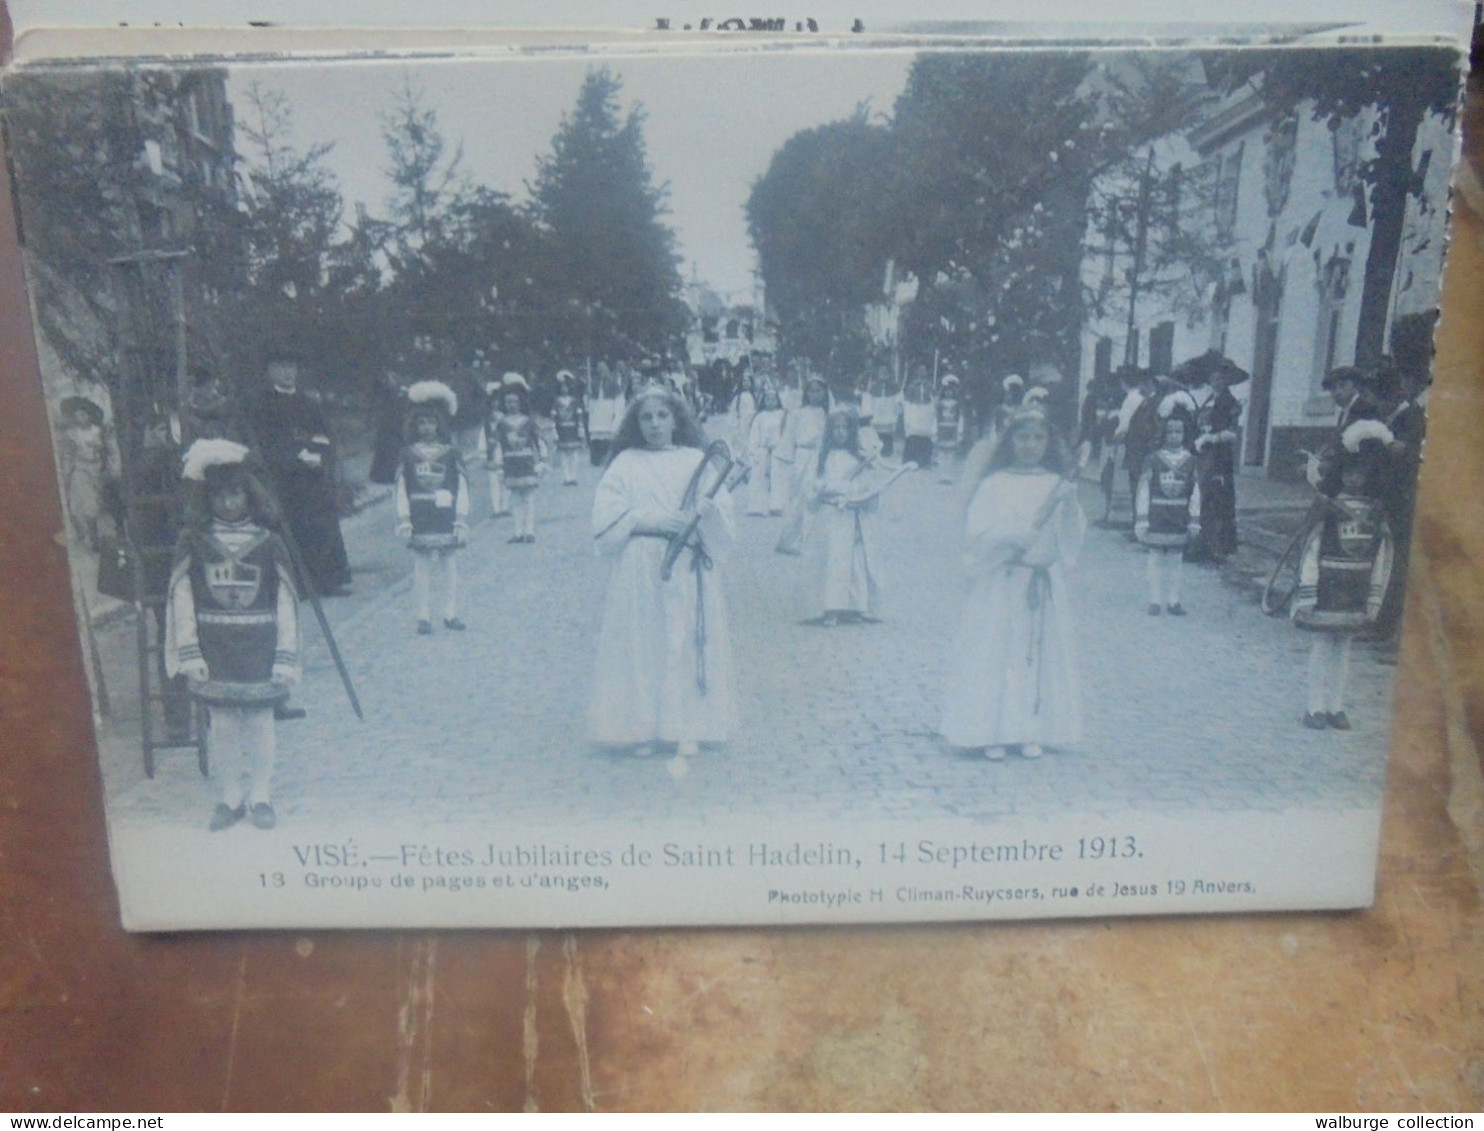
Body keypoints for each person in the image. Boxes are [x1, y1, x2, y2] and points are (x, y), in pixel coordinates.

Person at [588, 386, 737, 769]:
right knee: (643, 641)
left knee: (684, 641)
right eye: (646, 418)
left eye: (662, 416)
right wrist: (647, 518)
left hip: (685, 562)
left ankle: (684, 727)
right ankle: (642, 729)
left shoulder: (694, 460)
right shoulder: (625, 463)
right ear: (636, 424)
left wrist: (704, 514)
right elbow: (605, 519)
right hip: (640, 564)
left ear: (676, 419)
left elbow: (720, 512)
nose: (655, 425)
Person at [165, 439, 300, 830]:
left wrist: (285, 654)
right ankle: (229, 796)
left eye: (236, 493)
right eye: (220, 496)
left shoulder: (269, 542)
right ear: (207, 500)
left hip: (260, 645)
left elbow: (287, 601)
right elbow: (182, 597)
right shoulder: (194, 541)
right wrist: (190, 651)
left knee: (260, 719)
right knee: (221, 724)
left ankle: (260, 794)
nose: (229, 503)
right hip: (215, 646)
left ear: (249, 494)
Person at [940, 403, 1085, 761]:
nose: (1030, 445)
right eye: (1023, 437)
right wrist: (1009, 536)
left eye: (1039, 438)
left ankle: (1029, 730)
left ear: (1049, 442)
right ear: (1010, 441)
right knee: (997, 651)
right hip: (1001, 580)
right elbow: (976, 533)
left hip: (1038, 583)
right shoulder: (994, 483)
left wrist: (1068, 507)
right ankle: (991, 730)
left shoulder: (1055, 484)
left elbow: (1070, 538)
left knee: (1034, 655)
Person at [1292, 420, 1395, 730]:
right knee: (1322, 645)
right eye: (1349, 473)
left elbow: (1381, 555)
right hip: (1327, 585)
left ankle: (1336, 706)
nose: (1355, 479)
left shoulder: (1376, 512)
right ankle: (1314, 706)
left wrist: (1375, 596)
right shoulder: (1329, 507)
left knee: (1344, 649)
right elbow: (1312, 548)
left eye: (1361, 474)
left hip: (1356, 588)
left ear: (1369, 478)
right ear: (1341, 474)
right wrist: (1308, 589)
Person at [249, 354, 352, 596]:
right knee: (294, 527)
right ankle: (299, 585)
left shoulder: (308, 402)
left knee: (322, 525)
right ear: (270, 371)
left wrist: (319, 455)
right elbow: (266, 442)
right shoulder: (263, 404)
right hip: (287, 479)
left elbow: (325, 435)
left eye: (291, 367)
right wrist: (295, 456)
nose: (287, 373)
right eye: (281, 367)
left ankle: (327, 580)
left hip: (314, 476)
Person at [395, 381, 470, 635]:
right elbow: (401, 488)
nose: (427, 428)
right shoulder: (407, 454)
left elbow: (461, 486)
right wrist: (404, 518)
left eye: (431, 422)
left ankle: (450, 611)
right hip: (420, 516)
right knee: (421, 565)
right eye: (421, 423)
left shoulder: (451, 453)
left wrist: (461, 518)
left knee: (449, 564)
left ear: (440, 424)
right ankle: (423, 614)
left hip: (445, 514)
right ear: (414, 425)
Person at [798, 409, 883, 626]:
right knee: (830, 560)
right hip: (828, 517)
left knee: (853, 562)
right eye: (835, 428)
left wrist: (848, 490)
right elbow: (810, 485)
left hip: (850, 516)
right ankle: (829, 606)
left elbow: (867, 486)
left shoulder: (859, 458)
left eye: (844, 428)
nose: (840, 433)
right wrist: (822, 488)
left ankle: (854, 606)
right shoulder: (821, 457)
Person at [1182, 352, 1245, 563]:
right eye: (1214, 377)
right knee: (1204, 497)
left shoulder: (1230, 401)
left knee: (1217, 499)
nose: (1216, 381)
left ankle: (1215, 547)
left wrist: (1210, 437)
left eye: (1221, 378)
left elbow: (1233, 433)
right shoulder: (1211, 398)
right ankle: (1204, 543)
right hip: (1204, 455)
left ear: (1228, 380)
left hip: (1219, 456)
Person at [1135, 416, 1201, 616]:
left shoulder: (1191, 461)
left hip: (1179, 515)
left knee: (1175, 558)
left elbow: (1196, 493)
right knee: (1155, 557)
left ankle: (1173, 600)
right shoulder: (1152, 460)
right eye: (1170, 432)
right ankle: (1155, 600)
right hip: (1157, 514)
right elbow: (1143, 491)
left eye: (1178, 432)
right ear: (1163, 434)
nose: (1174, 436)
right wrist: (1142, 520)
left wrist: (1194, 521)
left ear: (1184, 434)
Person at [774, 375, 831, 555]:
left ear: (825, 393)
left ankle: (809, 540)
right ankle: (788, 539)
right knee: (799, 496)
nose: (815, 395)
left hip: (819, 456)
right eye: (811, 391)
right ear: (806, 393)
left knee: (815, 496)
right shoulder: (799, 413)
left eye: (818, 391)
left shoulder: (827, 414)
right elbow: (789, 435)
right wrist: (785, 458)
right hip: (801, 455)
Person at [57, 395, 118, 552]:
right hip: (80, 470)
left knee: (93, 506)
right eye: (78, 415)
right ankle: (88, 536)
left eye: (84, 414)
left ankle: (93, 534)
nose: (81, 418)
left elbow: (106, 450)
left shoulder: (97, 431)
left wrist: (98, 447)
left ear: (90, 416)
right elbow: (68, 454)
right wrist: (67, 471)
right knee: (79, 506)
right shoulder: (72, 434)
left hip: (95, 470)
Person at [489, 375, 545, 544]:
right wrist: (498, 465)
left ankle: (529, 531)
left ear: (520, 403)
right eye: (508, 402)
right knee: (515, 500)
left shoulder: (528, 421)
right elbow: (498, 445)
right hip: (511, 464)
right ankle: (518, 532)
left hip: (527, 463)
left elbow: (539, 442)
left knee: (528, 498)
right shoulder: (501, 423)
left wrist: (541, 460)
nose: (511, 405)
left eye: (514, 401)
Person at [745, 383, 788, 516]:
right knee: (759, 478)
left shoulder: (782, 415)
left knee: (778, 478)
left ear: (778, 400)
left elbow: (786, 434)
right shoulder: (759, 417)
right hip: (763, 451)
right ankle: (757, 506)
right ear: (763, 401)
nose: (770, 402)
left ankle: (777, 505)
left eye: (773, 399)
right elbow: (754, 435)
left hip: (777, 451)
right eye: (767, 399)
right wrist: (754, 451)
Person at [479, 377, 510, 518]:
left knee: (505, 481)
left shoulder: (505, 418)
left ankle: (505, 507)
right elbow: (483, 437)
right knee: (494, 482)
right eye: (493, 402)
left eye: (498, 401)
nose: (496, 404)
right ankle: (496, 509)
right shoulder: (487, 421)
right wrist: (484, 456)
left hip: (504, 451)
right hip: (492, 451)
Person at [551, 370, 588, 486]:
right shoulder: (556, 402)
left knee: (574, 453)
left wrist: (581, 430)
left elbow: (579, 416)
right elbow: (553, 418)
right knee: (564, 454)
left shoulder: (575, 401)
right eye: (562, 387)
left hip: (573, 429)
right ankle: (566, 477)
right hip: (562, 430)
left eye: (566, 387)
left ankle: (574, 476)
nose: (564, 389)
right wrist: (554, 432)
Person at [935, 373, 966, 484]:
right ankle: (941, 474)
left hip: (953, 429)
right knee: (942, 453)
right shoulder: (940, 404)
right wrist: (934, 431)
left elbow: (960, 418)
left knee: (951, 453)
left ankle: (948, 475)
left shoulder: (957, 405)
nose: (949, 393)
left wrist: (960, 432)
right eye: (947, 391)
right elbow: (936, 418)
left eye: (951, 391)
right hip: (942, 428)